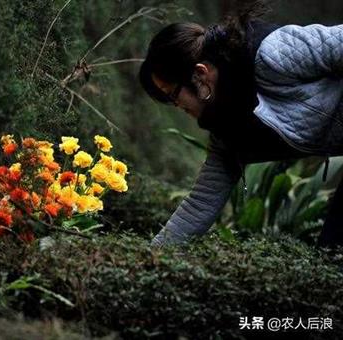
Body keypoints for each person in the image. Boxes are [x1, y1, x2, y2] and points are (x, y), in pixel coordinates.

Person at [138, 4, 343, 249]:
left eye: (172, 94)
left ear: (200, 74)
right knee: (332, 252)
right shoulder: (226, 133)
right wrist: (150, 257)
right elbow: (200, 205)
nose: (175, 105)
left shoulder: (274, 53)